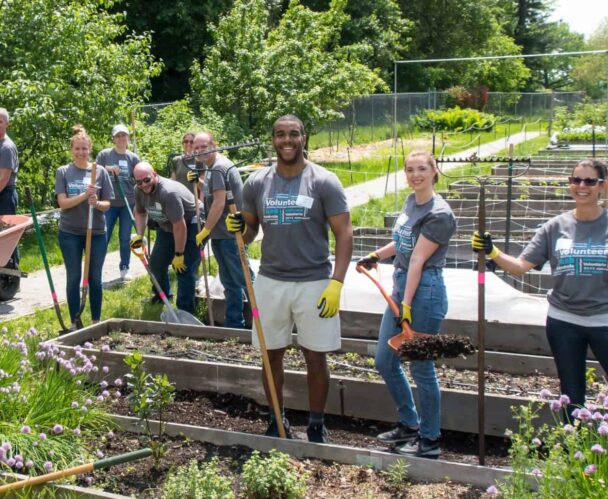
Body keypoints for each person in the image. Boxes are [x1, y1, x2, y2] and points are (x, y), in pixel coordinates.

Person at [471, 158, 608, 416]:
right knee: (571, 396)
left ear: (603, 185)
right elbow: (521, 266)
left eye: (590, 181)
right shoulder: (555, 226)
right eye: (575, 180)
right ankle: (571, 449)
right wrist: (493, 251)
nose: (582, 186)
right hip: (563, 322)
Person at [225, 114, 352, 443]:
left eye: (293, 134)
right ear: (273, 140)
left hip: (314, 282)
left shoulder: (324, 181)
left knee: (315, 355)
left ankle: (316, 424)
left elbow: (344, 233)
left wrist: (337, 282)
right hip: (271, 281)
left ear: (304, 137)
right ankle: (275, 419)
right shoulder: (257, 182)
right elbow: (251, 230)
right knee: (271, 354)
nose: (287, 140)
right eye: (280, 135)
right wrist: (241, 228)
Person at [357, 150, 455, 458]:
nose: (416, 174)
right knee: (385, 361)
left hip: (423, 293)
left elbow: (417, 258)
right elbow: (402, 243)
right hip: (403, 289)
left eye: (422, 169)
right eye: (410, 169)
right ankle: (410, 424)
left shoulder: (439, 214)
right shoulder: (412, 201)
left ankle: (430, 440)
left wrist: (408, 305)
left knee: (421, 368)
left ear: (434, 171)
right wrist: (376, 255)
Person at [190, 131, 250, 329]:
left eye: (204, 147)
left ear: (214, 145)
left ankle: (264, 319)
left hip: (229, 235)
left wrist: (206, 230)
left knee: (243, 281)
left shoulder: (218, 168)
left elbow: (218, 203)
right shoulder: (213, 168)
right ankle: (235, 325)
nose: (199, 151)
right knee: (231, 282)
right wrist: (197, 182)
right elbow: (216, 191)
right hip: (223, 234)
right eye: (196, 148)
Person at [55, 125, 113, 327]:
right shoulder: (63, 172)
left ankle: (96, 320)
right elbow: (63, 203)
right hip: (69, 232)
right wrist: (84, 195)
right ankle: (74, 321)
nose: (81, 152)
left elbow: (107, 205)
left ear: (90, 149)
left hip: (96, 232)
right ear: (72, 150)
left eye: (84, 149)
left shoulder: (100, 172)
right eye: (77, 149)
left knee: (95, 278)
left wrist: (96, 202)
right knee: (74, 278)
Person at [129, 162, 200, 314]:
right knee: (156, 265)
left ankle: (185, 311)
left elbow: (180, 226)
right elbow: (140, 213)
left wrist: (179, 254)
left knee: (183, 268)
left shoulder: (168, 192)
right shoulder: (139, 190)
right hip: (167, 225)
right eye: (138, 182)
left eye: (146, 180)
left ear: (154, 174)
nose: (143, 185)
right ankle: (162, 296)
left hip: (193, 222)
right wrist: (139, 236)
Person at [97, 124, 140, 282]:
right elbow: (95, 169)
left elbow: (140, 177)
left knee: (124, 237)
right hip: (109, 203)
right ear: (114, 138)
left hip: (128, 202)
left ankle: (124, 267)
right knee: (104, 236)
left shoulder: (133, 157)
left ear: (128, 137)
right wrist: (109, 168)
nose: (121, 138)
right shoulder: (105, 154)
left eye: (124, 135)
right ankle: (96, 269)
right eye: (118, 136)